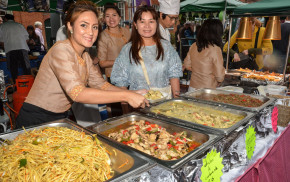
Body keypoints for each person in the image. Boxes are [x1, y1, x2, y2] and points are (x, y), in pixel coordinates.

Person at [15, 1, 148, 129]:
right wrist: (126, 96)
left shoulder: (85, 55)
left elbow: (101, 84)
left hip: (60, 117)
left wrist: (131, 92)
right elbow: (77, 93)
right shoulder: (61, 50)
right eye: (84, 25)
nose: (91, 32)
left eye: (94, 27)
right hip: (36, 118)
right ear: (70, 26)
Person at [111, 5, 182, 98]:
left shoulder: (166, 47)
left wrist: (176, 100)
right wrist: (125, 105)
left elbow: (174, 75)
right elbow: (120, 81)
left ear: (156, 24)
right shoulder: (127, 50)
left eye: (151, 21)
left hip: (164, 105)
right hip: (138, 105)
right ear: (135, 25)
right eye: (142, 21)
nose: (147, 26)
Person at [183, 19, 225, 92]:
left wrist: (198, 70)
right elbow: (220, 77)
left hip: (192, 88)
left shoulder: (194, 45)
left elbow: (186, 64)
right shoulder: (215, 49)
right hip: (207, 90)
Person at [97, 3, 131, 82]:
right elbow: (102, 63)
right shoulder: (103, 36)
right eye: (107, 16)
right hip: (114, 77)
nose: (111, 19)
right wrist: (121, 61)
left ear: (119, 17)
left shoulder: (127, 32)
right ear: (104, 19)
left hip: (131, 73)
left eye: (114, 15)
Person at [0, 14, 31, 83]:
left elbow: (1, 42)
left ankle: (16, 86)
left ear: (5, 19)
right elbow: (27, 39)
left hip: (10, 49)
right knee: (26, 68)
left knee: (14, 69)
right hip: (23, 48)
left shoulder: (2, 26)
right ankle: (29, 84)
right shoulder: (20, 25)